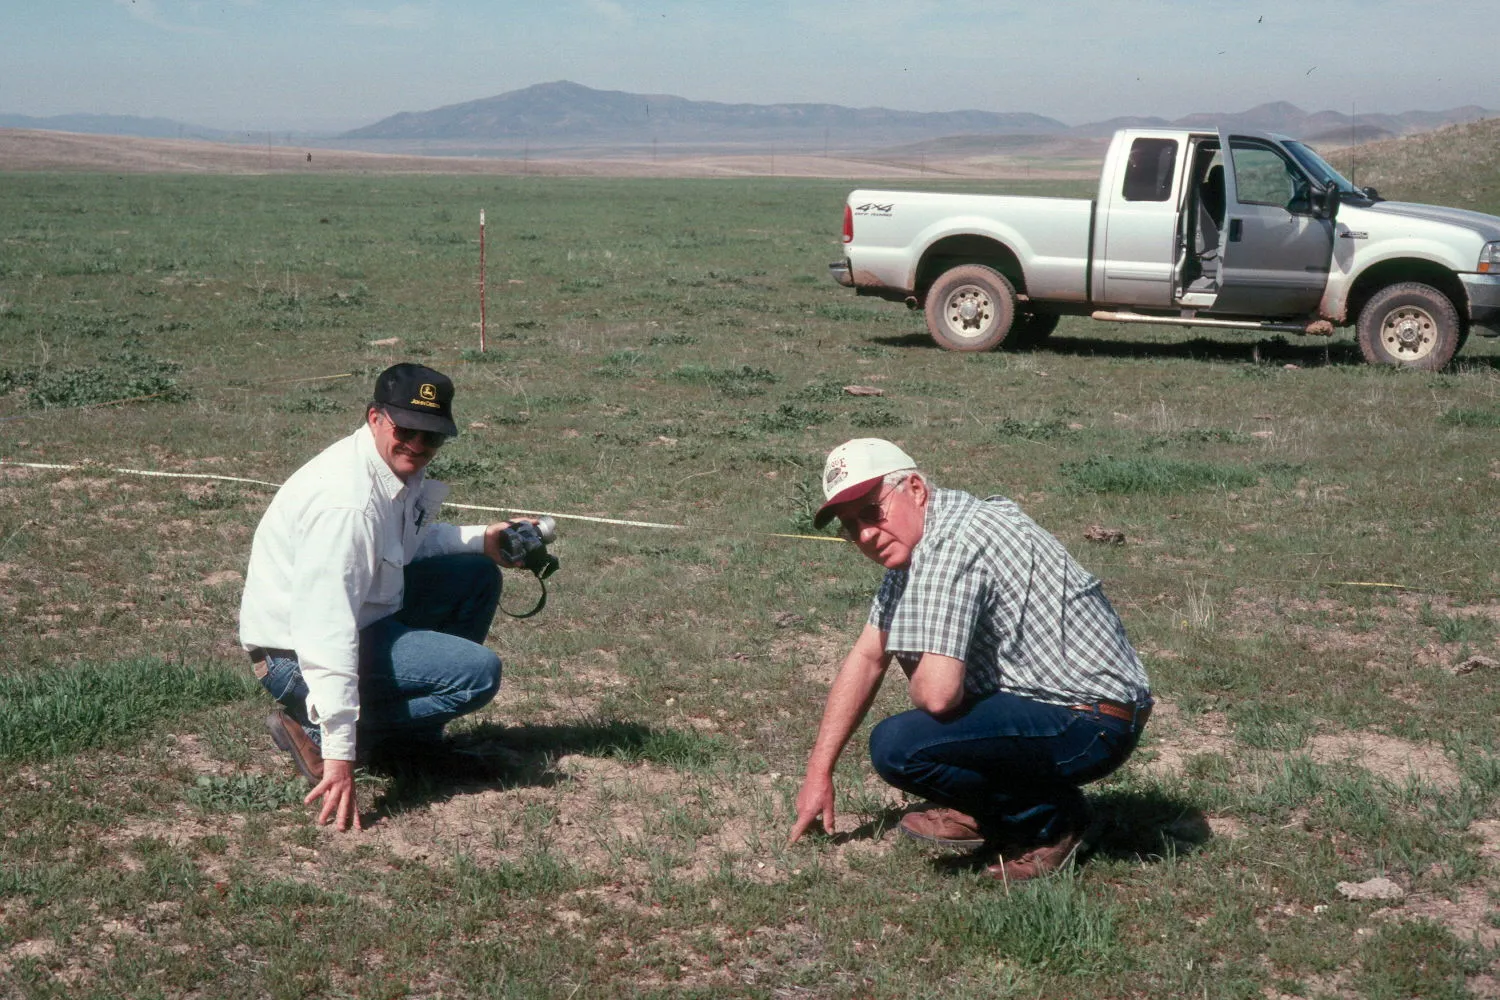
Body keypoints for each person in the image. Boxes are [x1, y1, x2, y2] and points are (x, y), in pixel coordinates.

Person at [787, 438, 1152, 880]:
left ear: (916, 489)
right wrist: (818, 772)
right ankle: (985, 809)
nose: (864, 534)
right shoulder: (920, 544)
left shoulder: (951, 544)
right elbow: (867, 656)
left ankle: (1055, 821)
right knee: (927, 727)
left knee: (900, 746)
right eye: (849, 525)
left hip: (1091, 719)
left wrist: (909, 648)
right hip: (1062, 704)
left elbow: (937, 696)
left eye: (871, 511)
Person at [240, 363, 545, 833]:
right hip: (295, 656)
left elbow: (402, 544)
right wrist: (340, 752)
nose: (418, 447)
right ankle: (321, 732)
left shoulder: (381, 467)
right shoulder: (348, 504)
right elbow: (326, 627)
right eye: (407, 430)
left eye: (433, 437)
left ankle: (413, 744)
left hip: (363, 618)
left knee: (475, 575)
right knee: (477, 675)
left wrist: (482, 540)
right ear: (375, 418)